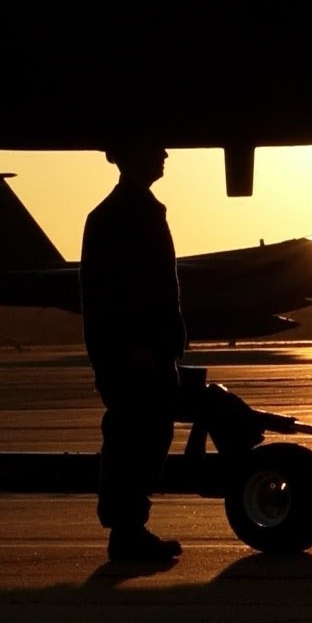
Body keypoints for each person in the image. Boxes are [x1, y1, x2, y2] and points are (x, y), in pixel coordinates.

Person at [79, 138, 187, 563]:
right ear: (132, 157)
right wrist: (135, 347)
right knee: (132, 438)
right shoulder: (117, 216)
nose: (164, 157)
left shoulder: (137, 210)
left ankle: (131, 528)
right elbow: (113, 293)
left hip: (148, 348)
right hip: (133, 351)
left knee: (150, 435)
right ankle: (125, 533)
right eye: (154, 150)